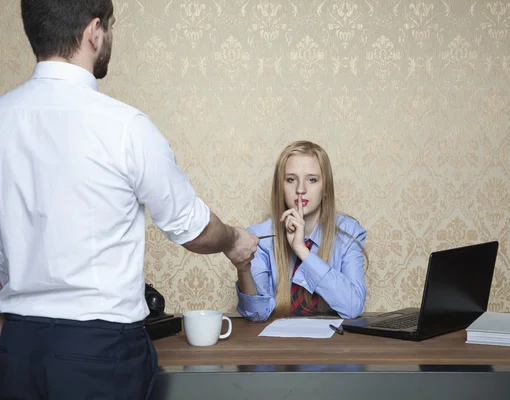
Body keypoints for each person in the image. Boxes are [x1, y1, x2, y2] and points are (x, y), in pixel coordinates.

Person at [0, 1, 258, 399]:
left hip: (15, 349)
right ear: (94, 31)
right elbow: (193, 229)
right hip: (98, 354)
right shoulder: (125, 127)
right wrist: (233, 240)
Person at [234, 140, 368, 322]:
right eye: (291, 179)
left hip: (335, 345)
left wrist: (301, 250)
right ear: (280, 187)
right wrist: (243, 269)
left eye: (312, 180)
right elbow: (258, 314)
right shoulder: (259, 237)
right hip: (278, 345)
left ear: (326, 187)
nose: (300, 190)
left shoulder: (349, 232)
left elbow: (352, 307)